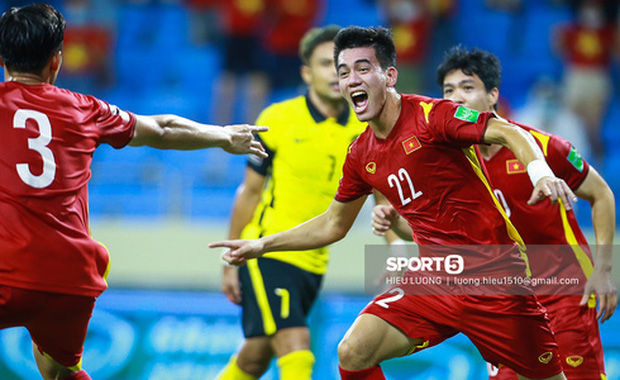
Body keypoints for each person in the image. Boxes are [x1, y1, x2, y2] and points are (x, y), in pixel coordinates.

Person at [211, 26, 576, 380]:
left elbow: (507, 130)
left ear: (389, 76)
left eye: (363, 68)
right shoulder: (360, 152)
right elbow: (333, 224)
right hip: (435, 278)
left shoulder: (433, 116)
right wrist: (262, 244)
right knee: (353, 352)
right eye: (343, 71)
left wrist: (540, 172)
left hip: (494, 278)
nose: (350, 79)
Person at [0, 4, 267, 380]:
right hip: (69, 275)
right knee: (59, 372)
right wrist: (223, 136)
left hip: (7, 269)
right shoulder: (85, 109)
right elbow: (162, 128)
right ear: (56, 61)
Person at [372, 46, 617, 379]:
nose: (456, 98)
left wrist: (603, 269)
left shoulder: (544, 149)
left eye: (467, 88)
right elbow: (431, 238)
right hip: (505, 305)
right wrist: (396, 222)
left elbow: (601, 193)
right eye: (448, 91)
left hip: (564, 295)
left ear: (493, 95)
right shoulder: (446, 166)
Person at [216, 25, 366, 380]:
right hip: (267, 251)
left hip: (314, 261)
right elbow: (249, 192)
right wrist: (229, 263)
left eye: (342, 67)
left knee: (255, 357)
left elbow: (382, 202)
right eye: (326, 65)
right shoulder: (277, 119)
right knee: (296, 344)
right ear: (306, 72)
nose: (335, 74)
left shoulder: (362, 129)